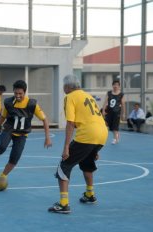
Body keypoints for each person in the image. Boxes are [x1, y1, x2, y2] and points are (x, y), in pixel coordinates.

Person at [0, 80, 52, 184]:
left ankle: (2, 177)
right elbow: (2, 117)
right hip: (8, 130)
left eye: (20, 93)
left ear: (25, 92)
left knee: (15, 157)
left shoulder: (32, 104)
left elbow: (44, 119)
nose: (18, 96)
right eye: (15, 93)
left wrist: (47, 137)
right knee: (2, 147)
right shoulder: (9, 103)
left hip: (22, 134)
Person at [48, 75, 108, 214]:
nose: (63, 88)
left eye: (63, 86)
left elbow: (70, 123)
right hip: (102, 134)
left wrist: (66, 147)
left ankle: (63, 204)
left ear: (68, 87)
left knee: (64, 166)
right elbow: (95, 117)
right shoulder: (88, 96)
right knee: (87, 162)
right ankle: (89, 194)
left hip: (87, 135)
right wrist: (95, 148)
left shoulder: (70, 97)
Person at [102, 80, 125, 144]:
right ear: (112, 85)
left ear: (119, 86)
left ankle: (115, 139)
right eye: (114, 85)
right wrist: (103, 110)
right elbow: (105, 102)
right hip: (109, 112)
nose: (115, 86)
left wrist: (123, 113)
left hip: (117, 112)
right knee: (109, 125)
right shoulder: (109, 93)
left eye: (117, 85)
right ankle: (116, 134)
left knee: (115, 126)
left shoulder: (121, 94)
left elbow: (123, 104)